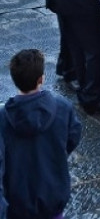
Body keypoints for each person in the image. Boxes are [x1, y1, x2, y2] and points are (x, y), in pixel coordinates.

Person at [0, 50, 81, 219]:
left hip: (17, 202)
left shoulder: (3, 117)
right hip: (52, 197)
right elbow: (73, 136)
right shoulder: (62, 107)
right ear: (41, 79)